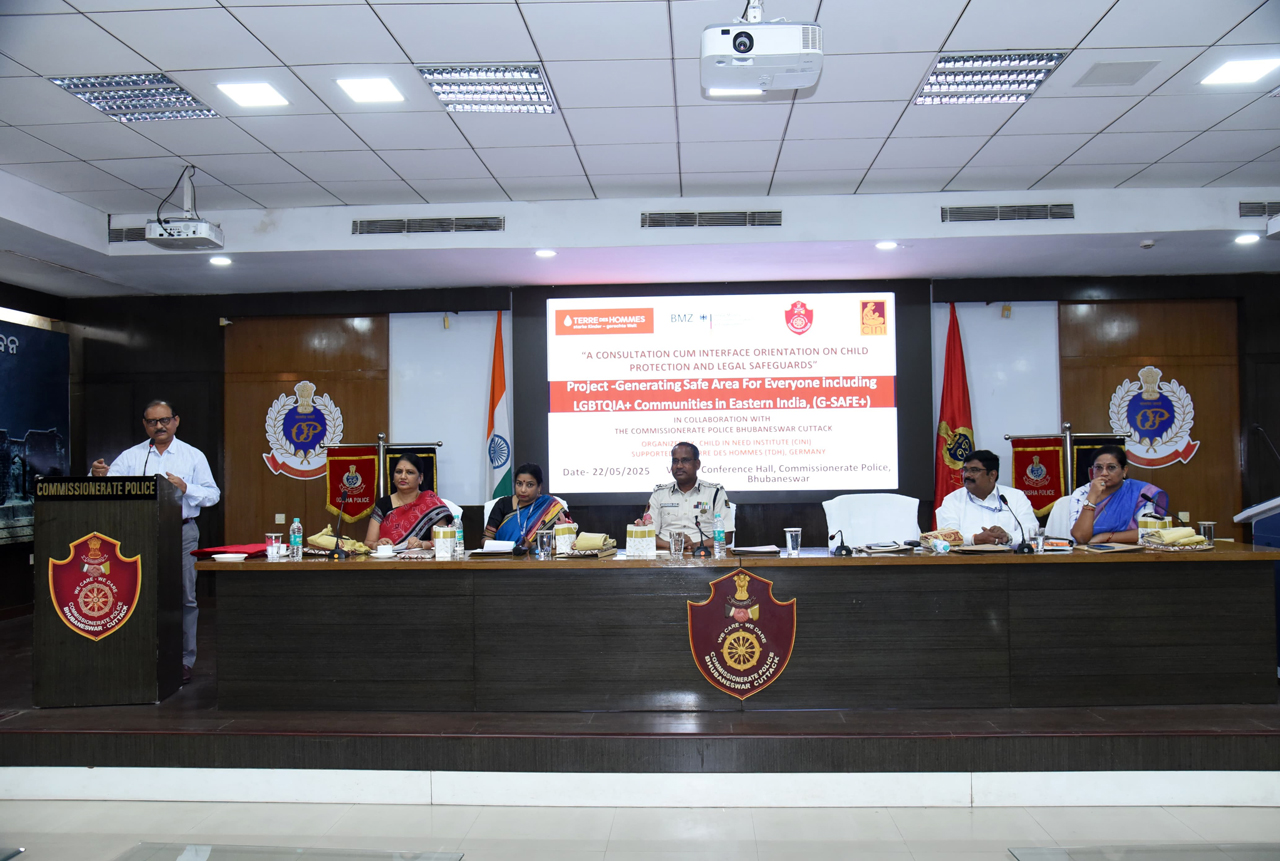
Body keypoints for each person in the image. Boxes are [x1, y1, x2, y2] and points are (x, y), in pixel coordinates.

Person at [90, 400, 219, 685]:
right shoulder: (132, 456)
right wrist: (98, 476)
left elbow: (213, 495)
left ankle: (183, 660)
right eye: (152, 422)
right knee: (137, 594)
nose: (159, 426)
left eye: (164, 420)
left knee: (184, 597)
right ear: (145, 425)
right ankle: (140, 657)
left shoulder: (193, 455)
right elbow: (107, 487)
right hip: (137, 534)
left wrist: (186, 487)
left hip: (182, 533)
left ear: (176, 421)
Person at [638, 442, 734, 553]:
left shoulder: (715, 492)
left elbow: (727, 536)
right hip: (666, 554)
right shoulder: (659, 493)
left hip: (703, 554)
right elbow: (647, 534)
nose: (679, 466)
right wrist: (674, 545)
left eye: (685, 460)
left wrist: (695, 545)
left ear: (697, 464)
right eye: (675, 461)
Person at [935, 449, 1038, 546]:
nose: (967, 475)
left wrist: (1008, 537)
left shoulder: (1016, 497)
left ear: (992, 475)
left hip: (1009, 557)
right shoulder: (952, 499)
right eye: (965, 470)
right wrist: (974, 539)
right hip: (965, 557)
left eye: (974, 470)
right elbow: (948, 534)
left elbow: (1030, 529)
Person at [1068, 445, 1167, 545]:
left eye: (1111, 467)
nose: (1104, 473)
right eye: (1098, 468)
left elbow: (1151, 532)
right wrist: (1092, 496)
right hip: (1087, 552)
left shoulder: (1138, 492)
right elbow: (1081, 538)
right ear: (1092, 471)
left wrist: (1105, 537)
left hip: (1131, 551)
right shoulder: (1083, 492)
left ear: (1124, 470)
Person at [365, 454, 453, 550]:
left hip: (423, 558)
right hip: (388, 558)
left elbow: (441, 542)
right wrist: (377, 545)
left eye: (410, 472)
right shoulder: (383, 504)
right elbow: (368, 542)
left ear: (420, 478)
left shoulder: (431, 503)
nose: (403, 476)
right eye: (398, 472)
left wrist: (422, 544)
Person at [483, 462, 572, 550]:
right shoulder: (502, 504)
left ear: (539, 487)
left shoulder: (550, 506)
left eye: (529, 485)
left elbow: (567, 541)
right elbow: (486, 539)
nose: (523, 490)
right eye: (519, 484)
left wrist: (532, 545)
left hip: (539, 557)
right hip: (503, 557)